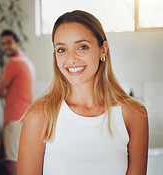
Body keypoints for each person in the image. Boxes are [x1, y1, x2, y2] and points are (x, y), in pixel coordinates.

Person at [17, 10, 148, 175]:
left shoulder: (134, 114)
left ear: (103, 49)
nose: (71, 58)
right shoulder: (40, 116)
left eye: (82, 47)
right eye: (62, 49)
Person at [0, 29, 36, 175]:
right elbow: (14, 93)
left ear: (18, 43)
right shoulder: (27, 62)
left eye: (9, 43)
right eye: (3, 44)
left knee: (12, 162)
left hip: (15, 120)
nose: (5, 47)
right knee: (21, 160)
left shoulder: (14, 63)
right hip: (24, 118)